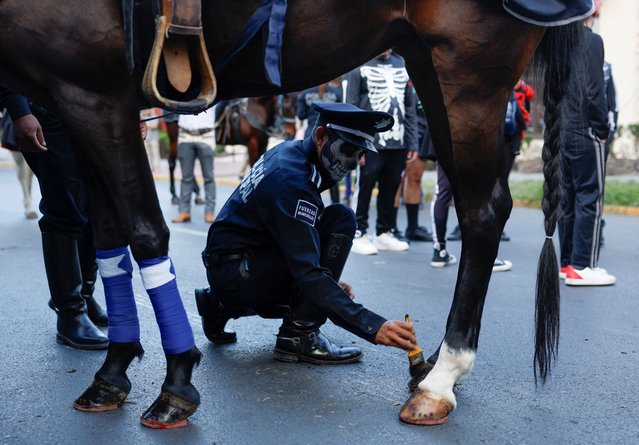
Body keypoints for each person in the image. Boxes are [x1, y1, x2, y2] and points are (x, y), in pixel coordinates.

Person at [195, 103, 418, 364]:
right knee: (338, 229)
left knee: (338, 218)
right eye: (348, 149)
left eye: (359, 154)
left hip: (232, 266)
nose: (353, 164)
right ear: (320, 136)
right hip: (237, 275)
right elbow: (308, 272)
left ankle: (217, 304)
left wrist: (327, 284)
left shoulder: (291, 153)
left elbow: (290, 235)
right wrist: (373, 326)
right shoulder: (292, 182)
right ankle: (299, 336)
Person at [0, 84, 108, 349]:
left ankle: (84, 293)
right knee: (64, 207)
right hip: (46, 108)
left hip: (91, 109)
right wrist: (19, 109)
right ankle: (70, 313)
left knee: (95, 207)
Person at [558, 15, 615, 286]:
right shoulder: (591, 41)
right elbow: (595, 92)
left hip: (563, 131)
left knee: (568, 199)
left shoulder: (559, 42)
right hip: (585, 130)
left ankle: (568, 263)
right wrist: (603, 130)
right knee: (590, 198)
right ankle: (583, 265)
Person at [345, 50, 418, 255]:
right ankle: (358, 231)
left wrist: (412, 144)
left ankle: (384, 231)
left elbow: (409, 107)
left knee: (391, 186)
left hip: (398, 141)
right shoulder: (359, 62)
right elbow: (351, 107)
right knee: (365, 186)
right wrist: (356, 145)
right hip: (370, 143)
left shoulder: (402, 64)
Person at [297, 80, 343, 204]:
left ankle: (305, 203)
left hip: (311, 137)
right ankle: (335, 205)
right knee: (332, 173)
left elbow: (301, 115)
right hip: (331, 138)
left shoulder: (305, 94)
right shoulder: (337, 93)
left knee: (307, 172)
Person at [398, 82, 433, 242]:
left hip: (423, 129)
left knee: (415, 178)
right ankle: (388, 228)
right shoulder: (403, 73)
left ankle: (412, 227)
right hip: (404, 130)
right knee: (397, 180)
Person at [172, 107, 217, 223]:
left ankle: (209, 212)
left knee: (209, 177)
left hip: (206, 136)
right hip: (185, 136)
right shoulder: (183, 91)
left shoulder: (213, 90)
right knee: (186, 177)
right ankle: (184, 212)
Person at [1, 113, 38, 219]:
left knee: (30, 167)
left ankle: (28, 199)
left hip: (35, 117)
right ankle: (27, 200)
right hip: (14, 116)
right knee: (21, 164)